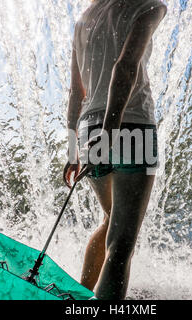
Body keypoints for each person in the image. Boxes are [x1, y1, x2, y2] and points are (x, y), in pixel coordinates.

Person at [63, 0, 167, 300]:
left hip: (88, 128)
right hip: (130, 125)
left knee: (110, 220)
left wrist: (73, 149)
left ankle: (81, 295)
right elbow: (125, 66)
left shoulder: (85, 17)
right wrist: (110, 133)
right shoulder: (149, 7)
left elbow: (75, 91)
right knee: (121, 246)